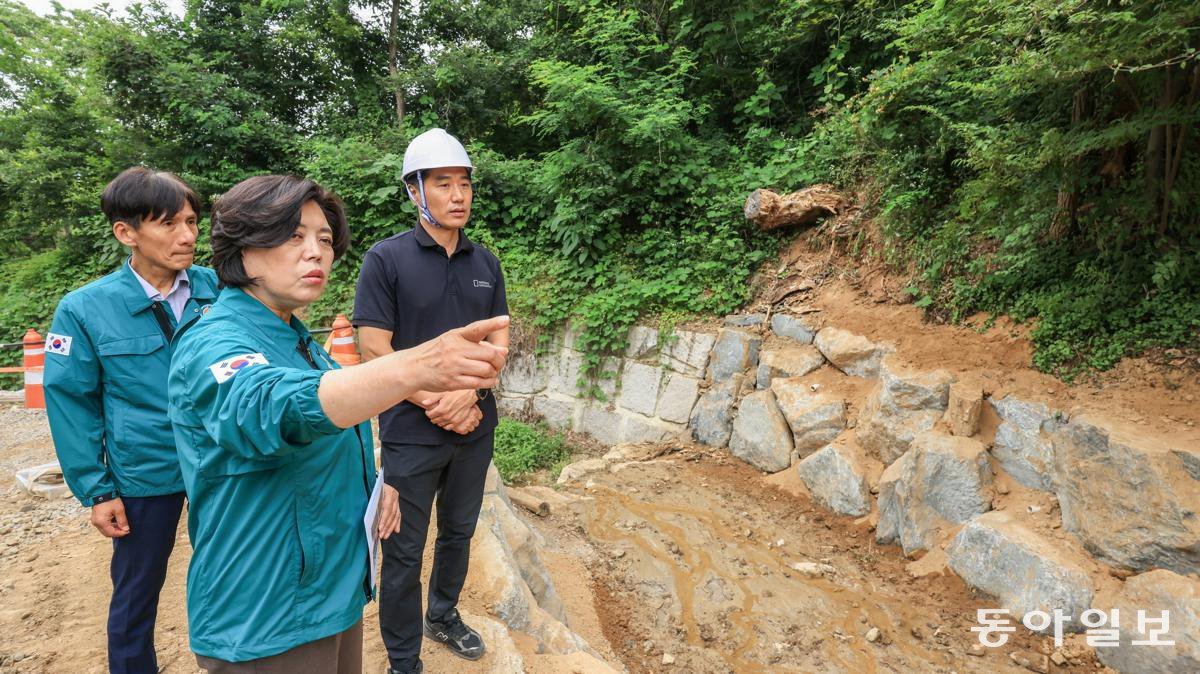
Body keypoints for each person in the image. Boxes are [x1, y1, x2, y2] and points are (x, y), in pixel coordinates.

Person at [167, 174, 508, 673]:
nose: (316, 253)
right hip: (267, 614)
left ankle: (442, 613)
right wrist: (418, 366)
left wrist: (371, 485)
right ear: (240, 250)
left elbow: (331, 427)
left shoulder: (301, 342)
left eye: (324, 239)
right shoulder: (215, 341)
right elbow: (269, 406)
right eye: (292, 236)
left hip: (327, 599)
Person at [43, 167, 220, 674]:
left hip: (221, 462)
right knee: (137, 590)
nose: (187, 236)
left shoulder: (219, 289)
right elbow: (70, 402)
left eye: (191, 221)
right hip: (146, 473)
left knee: (236, 573)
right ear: (127, 233)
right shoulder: (85, 309)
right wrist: (97, 490)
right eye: (168, 224)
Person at [353, 128, 509, 674]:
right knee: (401, 548)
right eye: (443, 184)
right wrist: (433, 399)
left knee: (460, 530)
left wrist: (471, 393)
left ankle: (441, 614)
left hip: (474, 425)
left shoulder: (485, 264)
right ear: (415, 190)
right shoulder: (385, 260)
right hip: (410, 431)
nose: (459, 195)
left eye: (464, 183)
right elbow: (375, 345)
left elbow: (498, 342)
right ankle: (403, 660)